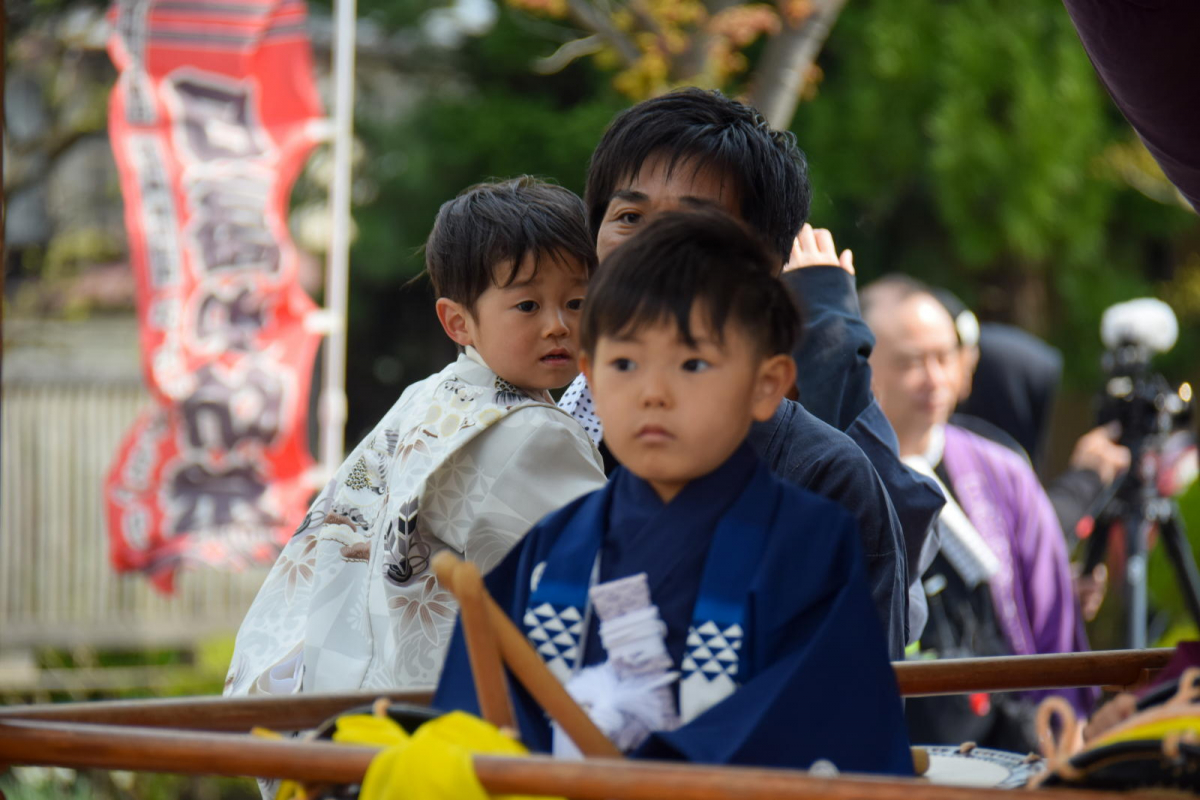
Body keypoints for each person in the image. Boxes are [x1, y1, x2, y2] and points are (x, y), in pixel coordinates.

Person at [435, 210, 913, 775]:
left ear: (766, 384)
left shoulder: (809, 539)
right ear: (590, 372)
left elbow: (817, 714)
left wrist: (646, 772)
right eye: (625, 363)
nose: (652, 394)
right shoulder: (556, 544)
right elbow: (478, 707)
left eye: (692, 363)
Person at [558, 87, 945, 655]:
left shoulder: (823, 478)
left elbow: (839, 708)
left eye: (695, 227)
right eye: (630, 217)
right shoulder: (535, 431)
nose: (651, 252)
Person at [224, 178, 607, 700]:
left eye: (577, 301)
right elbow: (595, 589)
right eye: (527, 306)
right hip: (460, 732)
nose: (558, 325)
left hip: (344, 709)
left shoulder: (424, 401)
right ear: (457, 322)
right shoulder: (532, 435)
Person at [861, 275, 1093, 751]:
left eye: (944, 357)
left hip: (1007, 744)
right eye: (910, 361)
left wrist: (1061, 741)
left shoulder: (1003, 472)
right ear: (863, 365)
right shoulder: (839, 469)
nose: (935, 378)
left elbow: (1052, 620)